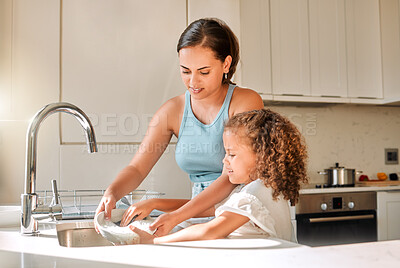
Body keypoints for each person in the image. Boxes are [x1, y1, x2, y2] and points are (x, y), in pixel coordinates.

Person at [95, 18, 264, 225]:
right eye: (185, 71)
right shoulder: (172, 111)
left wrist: (167, 209)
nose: (193, 82)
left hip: (240, 216)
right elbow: (138, 168)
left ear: (226, 64)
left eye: (204, 72)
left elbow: (230, 180)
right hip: (195, 215)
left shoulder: (246, 102)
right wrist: (112, 192)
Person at [128, 109, 308, 243]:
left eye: (232, 154)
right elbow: (206, 209)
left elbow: (210, 230)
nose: (224, 161)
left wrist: (153, 241)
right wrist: (155, 204)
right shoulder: (262, 188)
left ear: (262, 157)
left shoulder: (255, 193)